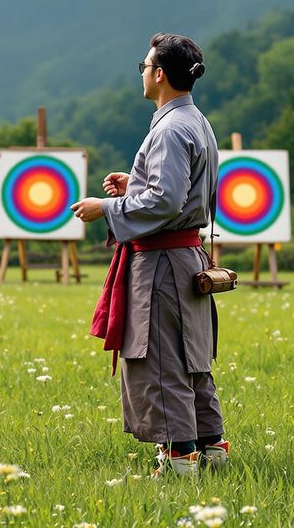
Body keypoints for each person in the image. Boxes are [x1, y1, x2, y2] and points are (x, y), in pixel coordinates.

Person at [70, 32, 228, 477]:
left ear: (159, 74)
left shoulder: (172, 127)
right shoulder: (194, 120)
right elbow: (176, 192)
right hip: (184, 258)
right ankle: (211, 451)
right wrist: (133, 187)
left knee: (161, 360)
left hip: (162, 264)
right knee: (190, 359)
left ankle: (179, 462)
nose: (141, 72)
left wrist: (107, 207)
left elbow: (165, 202)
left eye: (144, 65)